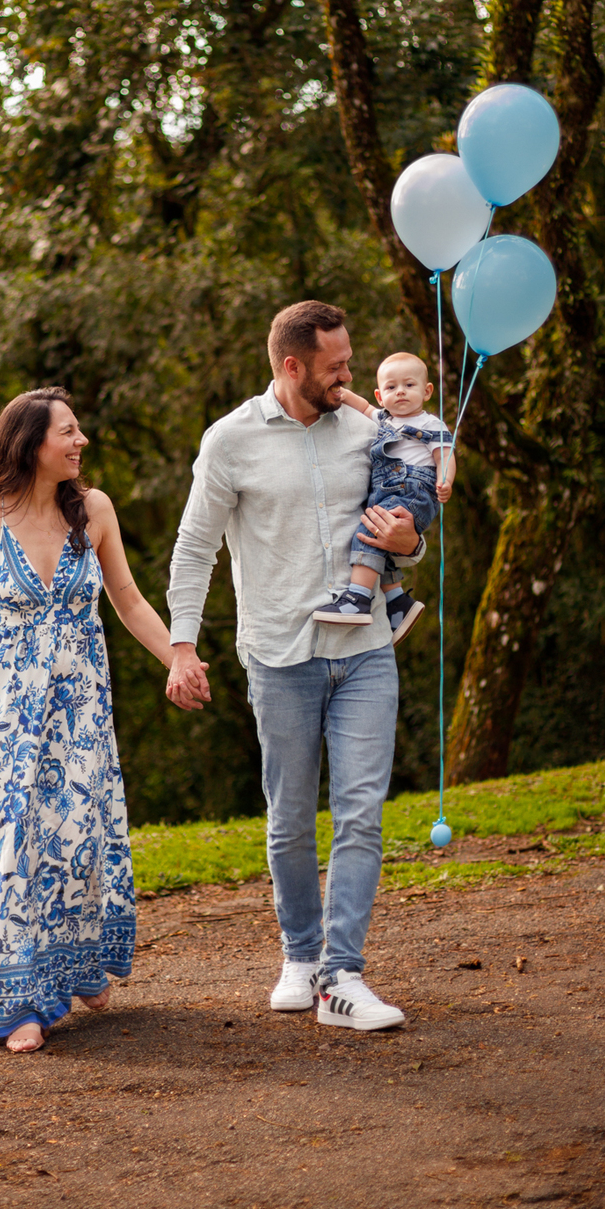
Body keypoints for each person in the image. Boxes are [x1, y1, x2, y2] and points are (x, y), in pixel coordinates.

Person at [164, 302, 426, 1033]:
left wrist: (409, 540)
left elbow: (403, 531)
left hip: (367, 650)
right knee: (288, 823)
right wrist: (182, 644)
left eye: (351, 361)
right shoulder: (231, 441)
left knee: (361, 812)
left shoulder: (372, 433)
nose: (353, 376)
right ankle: (301, 956)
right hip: (279, 656)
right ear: (292, 367)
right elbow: (194, 547)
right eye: (338, 366)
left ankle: (343, 976)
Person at [0, 388, 182, 1054]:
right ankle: (18, 1004)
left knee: (77, 836)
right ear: (31, 443)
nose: (80, 442)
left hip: (80, 712)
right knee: (12, 846)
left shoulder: (92, 512)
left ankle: (79, 967)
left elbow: (126, 598)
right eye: (68, 432)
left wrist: (177, 657)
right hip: (7, 714)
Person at [311, 350, 454, 640]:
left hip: (414, 489)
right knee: (380, 542)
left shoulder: (431, 424)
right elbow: (361, 406)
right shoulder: (383, 419)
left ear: (427, 391)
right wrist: (338, 391)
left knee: (369, 532)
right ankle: (397, 603)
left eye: (409, 385)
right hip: (387, 491)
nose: (400, 392)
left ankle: (358, 599)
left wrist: (445, 481)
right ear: (380, 396)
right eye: (391, 387)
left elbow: (446, 456)